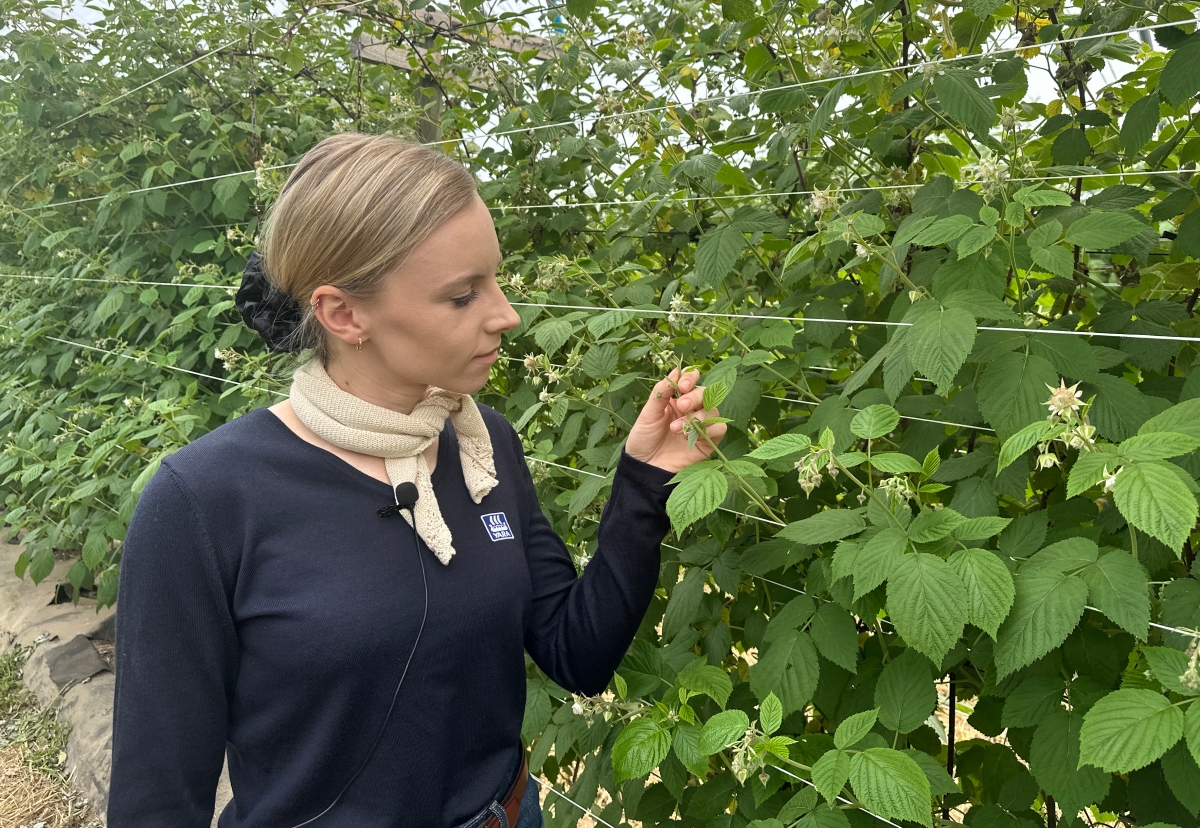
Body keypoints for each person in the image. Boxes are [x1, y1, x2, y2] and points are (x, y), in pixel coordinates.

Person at [106, 132, 727, 828]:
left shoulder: (483, 444)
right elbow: (156, 804)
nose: (507, 315)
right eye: (463, 296)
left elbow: (576, 653)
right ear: (344, 314)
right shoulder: (204, 501)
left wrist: (644, 485)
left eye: (495, 280)